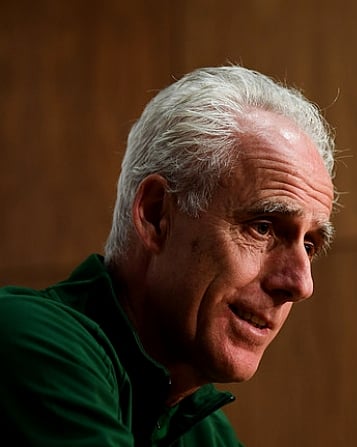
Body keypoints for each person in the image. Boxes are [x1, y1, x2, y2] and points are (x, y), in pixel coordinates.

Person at [0, 66, 337, 445]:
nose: (300, 283)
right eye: (263, 228)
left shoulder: (208, 434)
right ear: (157, 215)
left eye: (309, 245)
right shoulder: (24, 340)